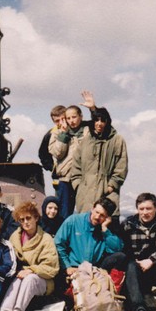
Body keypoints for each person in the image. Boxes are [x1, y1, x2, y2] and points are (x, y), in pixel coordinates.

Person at [0, 201, 60, 311]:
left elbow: (51, 267)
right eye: (22, 220)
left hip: (42, 280)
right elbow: (9, 260)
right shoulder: (14, 238)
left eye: (28, 218)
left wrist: (31, 269)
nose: (26, 222)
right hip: (20, 276)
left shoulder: (45, 239)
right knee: (17, 279)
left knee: (29, 278)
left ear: (36, 218)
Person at [69, 106, 128, 225]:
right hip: (85, 196)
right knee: (86, 233)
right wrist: (78, 186)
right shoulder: (85, 141)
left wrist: (111, 186)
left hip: (108, 195)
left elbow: (121, 166)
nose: (99, 123)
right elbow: (76, 166)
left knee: (108, 232)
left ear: (107, 122)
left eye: (102, 120)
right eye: (96, 120)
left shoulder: (117, 140)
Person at [49, 91, 96, 219]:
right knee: (64, 214)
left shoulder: (88, 130)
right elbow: (57, 154)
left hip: (85, 178)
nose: (71, 121)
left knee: (86, 213)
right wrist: (63, 135)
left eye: (74, 117)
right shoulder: (57, 133)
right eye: (68, 118)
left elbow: (101, 123)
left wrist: (93, 108)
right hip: (65, 179)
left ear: (80, 116)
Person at [54, 197, 123, 278]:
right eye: (97, 212)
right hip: (74, 267)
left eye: (102, 215)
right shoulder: (74, 220)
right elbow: (58, 244)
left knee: (120, 256)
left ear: (107, 218)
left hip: (95, 269)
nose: (97, 217)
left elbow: (116, 249)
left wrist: (105, 230)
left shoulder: (107, 228)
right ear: (92, 208)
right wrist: (67, 266)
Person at [37, 105, 66, 195]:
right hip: (59, 177)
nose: (60, 123)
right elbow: (42, 154)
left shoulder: (74, 131)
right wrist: (53, 168)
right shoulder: (49, 135)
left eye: (63, 119)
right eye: (57, 121)